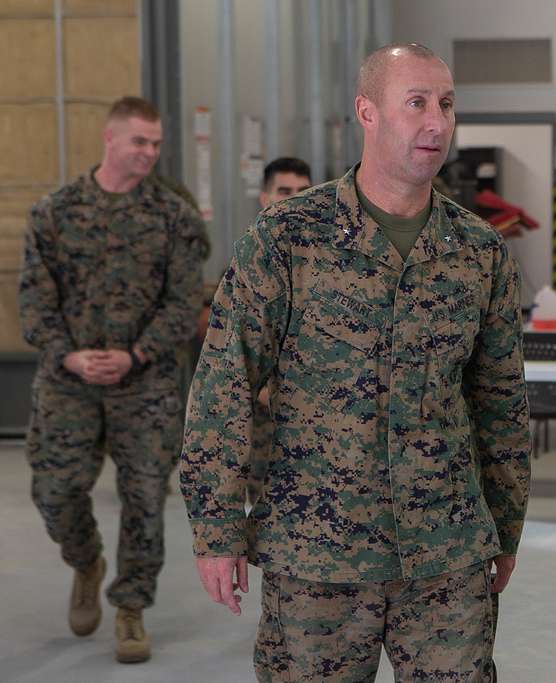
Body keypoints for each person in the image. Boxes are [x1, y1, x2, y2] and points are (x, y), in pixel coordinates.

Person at [180, 43, 531, 682]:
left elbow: (501, 402)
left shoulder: (479, 252)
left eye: (447, 105)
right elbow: (223, 387)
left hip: (445, 556)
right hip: (317, 556)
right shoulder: (288, 237)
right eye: (417, 103)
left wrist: (505, 529)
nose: (436, 123)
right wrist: (216, 529)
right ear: (366, 112)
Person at [18, 95, 206, 664]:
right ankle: (85, 561)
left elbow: (184, 302)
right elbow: (33, 299)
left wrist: (137, 353)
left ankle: (130, 608)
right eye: (140, 142)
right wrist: (67, 355)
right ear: (111, 139)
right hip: (68, 378)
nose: (150, 152)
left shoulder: (174, 217)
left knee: (146, 496)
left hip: (144, 381)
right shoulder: (55, 211)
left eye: (156, 143)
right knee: (54, 491)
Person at [248, 157, 313, 504]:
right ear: (265, 198)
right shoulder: (249, 259)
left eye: (303, 191)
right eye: (284, 192)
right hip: (264, 418)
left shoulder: (330, 262)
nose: (293, 200)